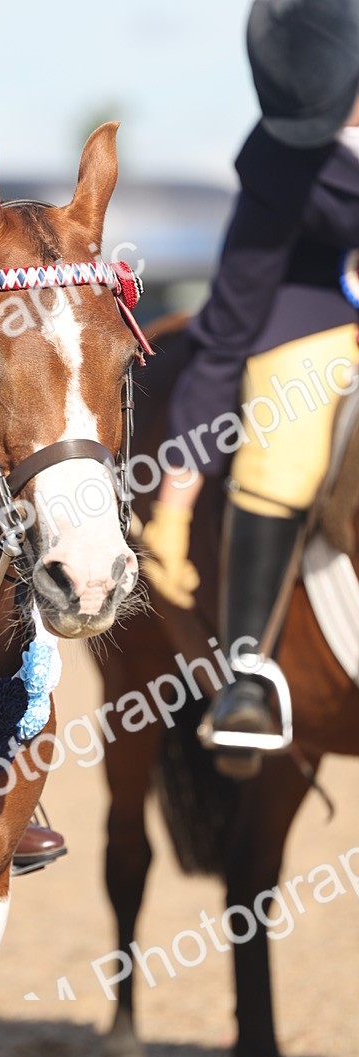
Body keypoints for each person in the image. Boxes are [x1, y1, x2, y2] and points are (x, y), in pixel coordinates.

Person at [141, 0, 359, 777]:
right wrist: (174, 493)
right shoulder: (277, 159)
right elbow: (228, 326)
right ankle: (248, 674)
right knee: (282, 442)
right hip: (317, 314)